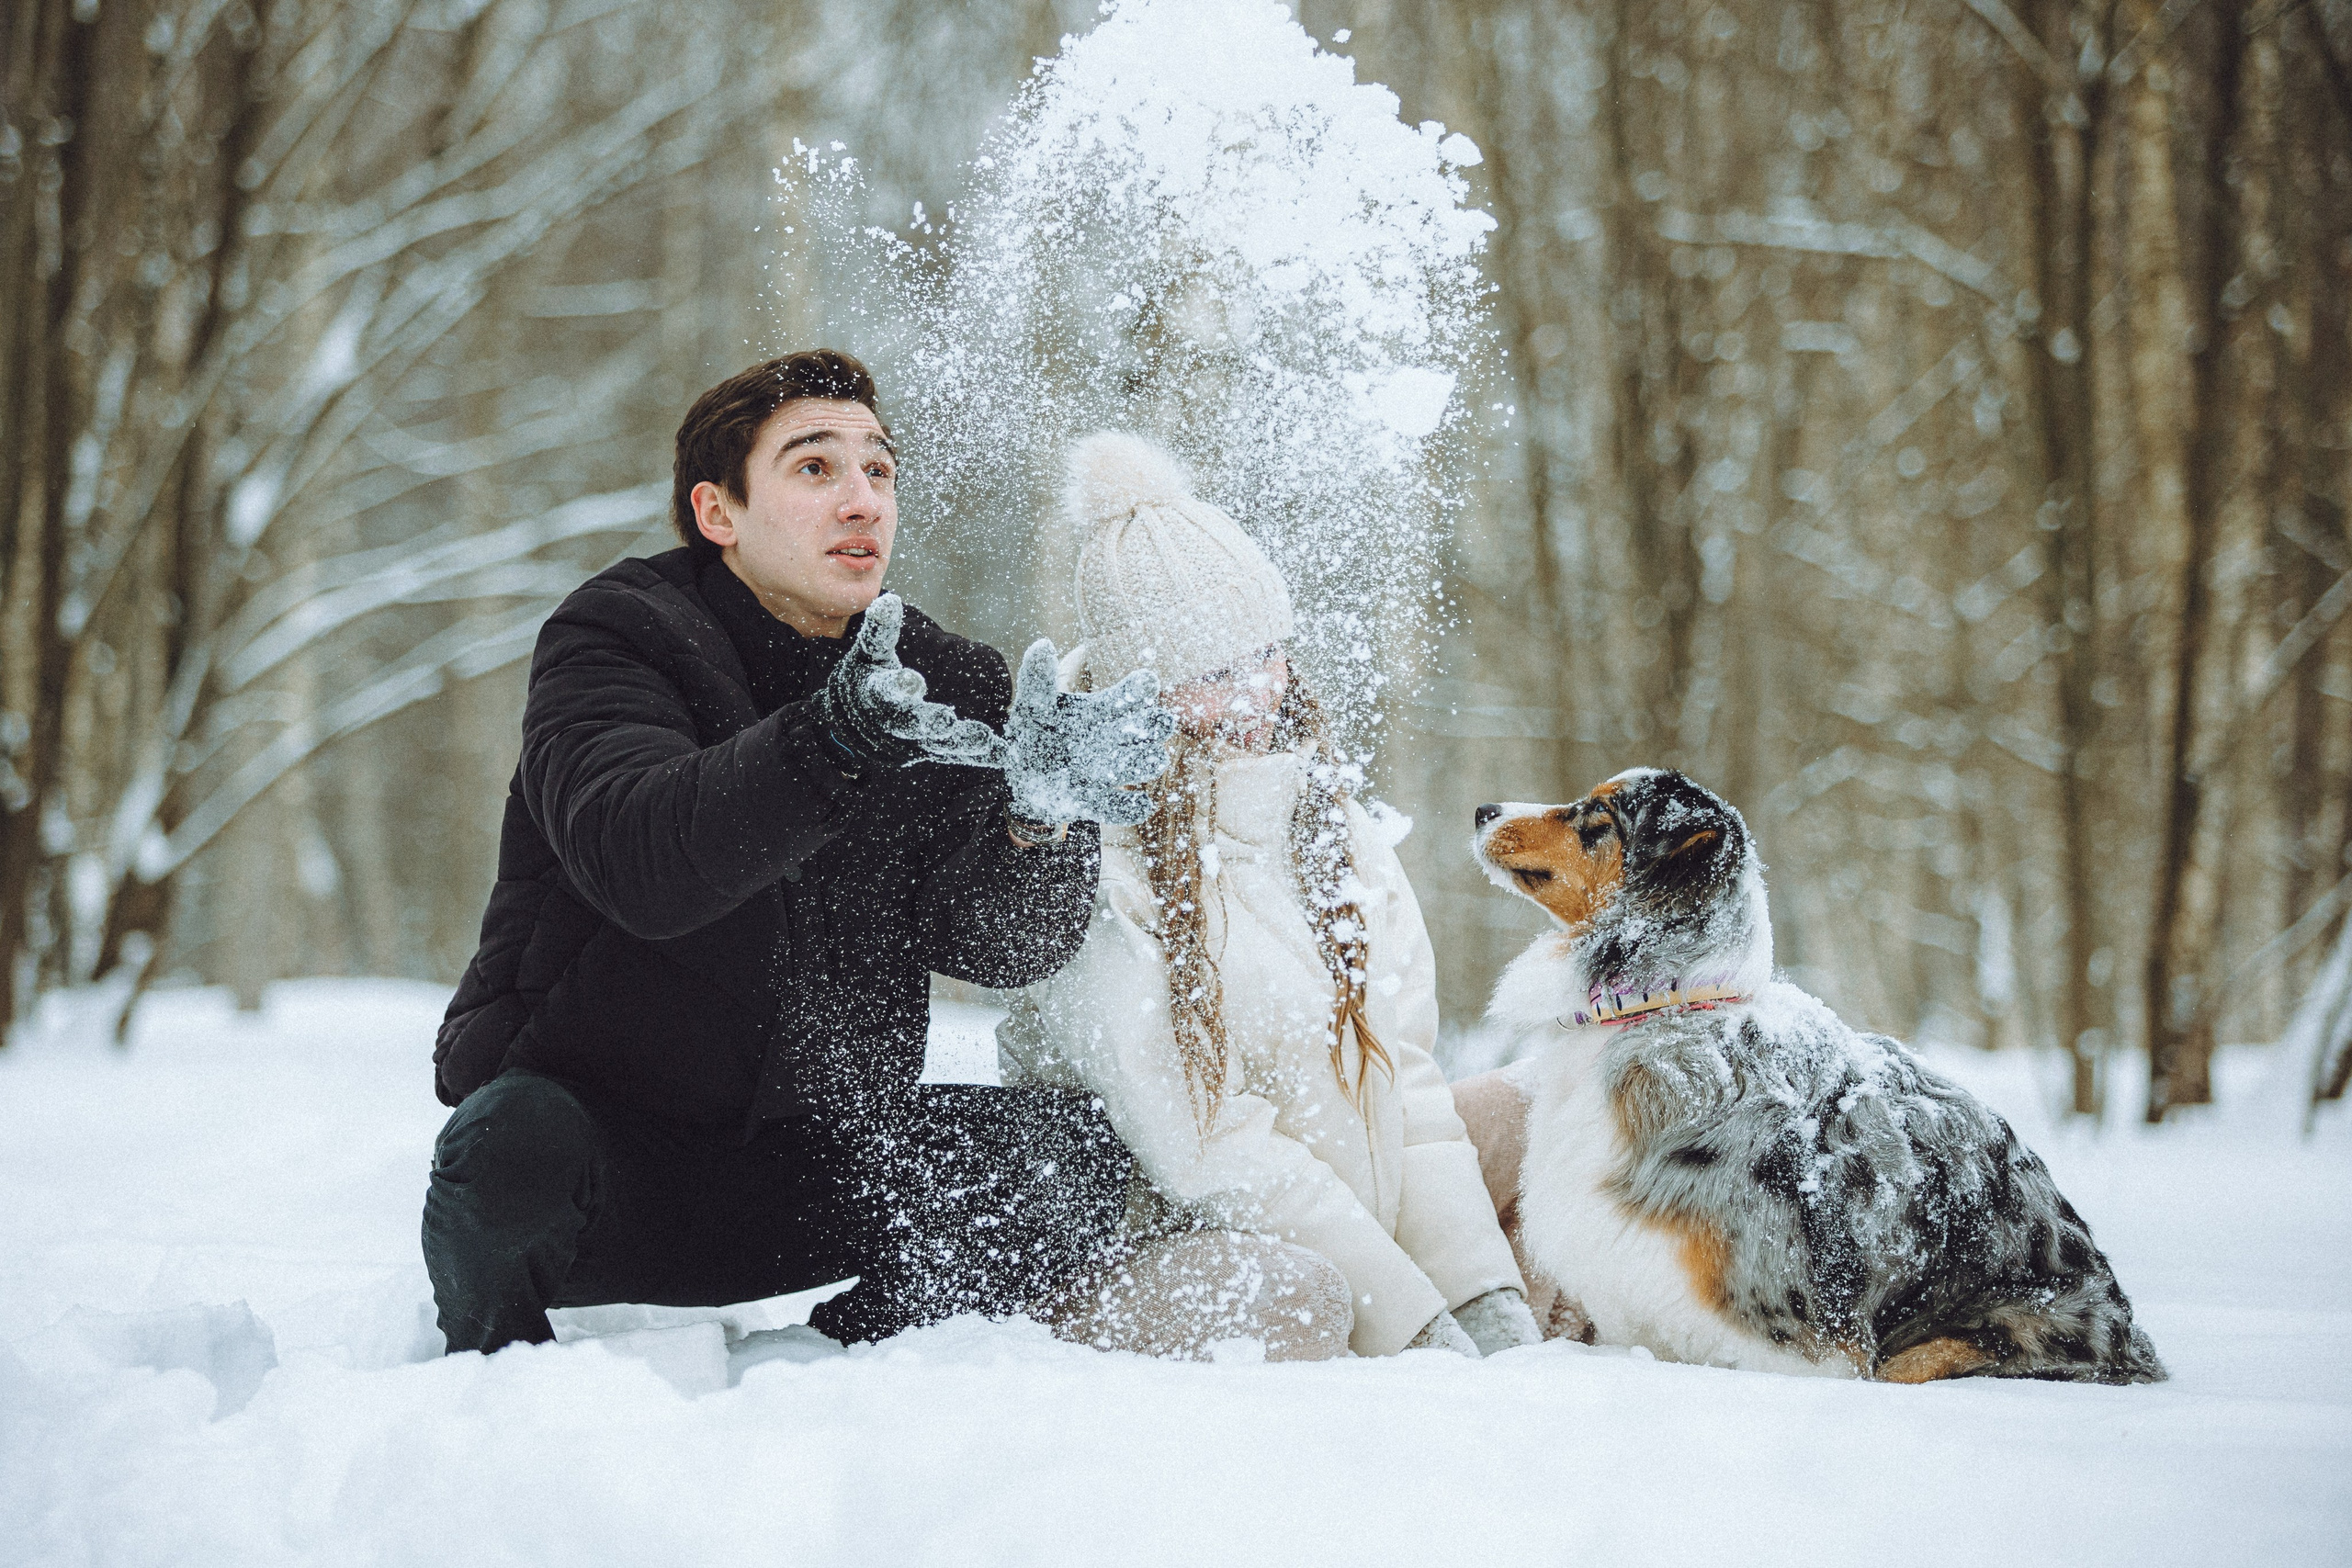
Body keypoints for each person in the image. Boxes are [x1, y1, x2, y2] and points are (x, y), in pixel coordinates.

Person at [423, 351, 1176, 1353]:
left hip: (810, 1165)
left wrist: (1039, 822)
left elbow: (998, 949)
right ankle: (495, 1389)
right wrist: (833, 740)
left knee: (1070, 1157)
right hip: (600, 1167)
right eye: (815, 469)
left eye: (880, 470)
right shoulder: (617, 637)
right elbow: (640, 860)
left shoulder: (937, 676)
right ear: (717, 512)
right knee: (502, 1151)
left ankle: (838, 1368)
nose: (862, 500)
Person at [997, 434, 1542, 1360]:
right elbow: (1207, 1143)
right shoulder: (1085, 862)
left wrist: (1485, 1300)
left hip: (1338, 1205)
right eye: (1210, 676)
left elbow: (1406, 1087)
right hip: (1157, 1243)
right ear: (1141, 691)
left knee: (1547, 1108)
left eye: (1265, 655)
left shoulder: (1333, 828)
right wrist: (1416, 1320)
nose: (1255, 697)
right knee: (1301, 1299)